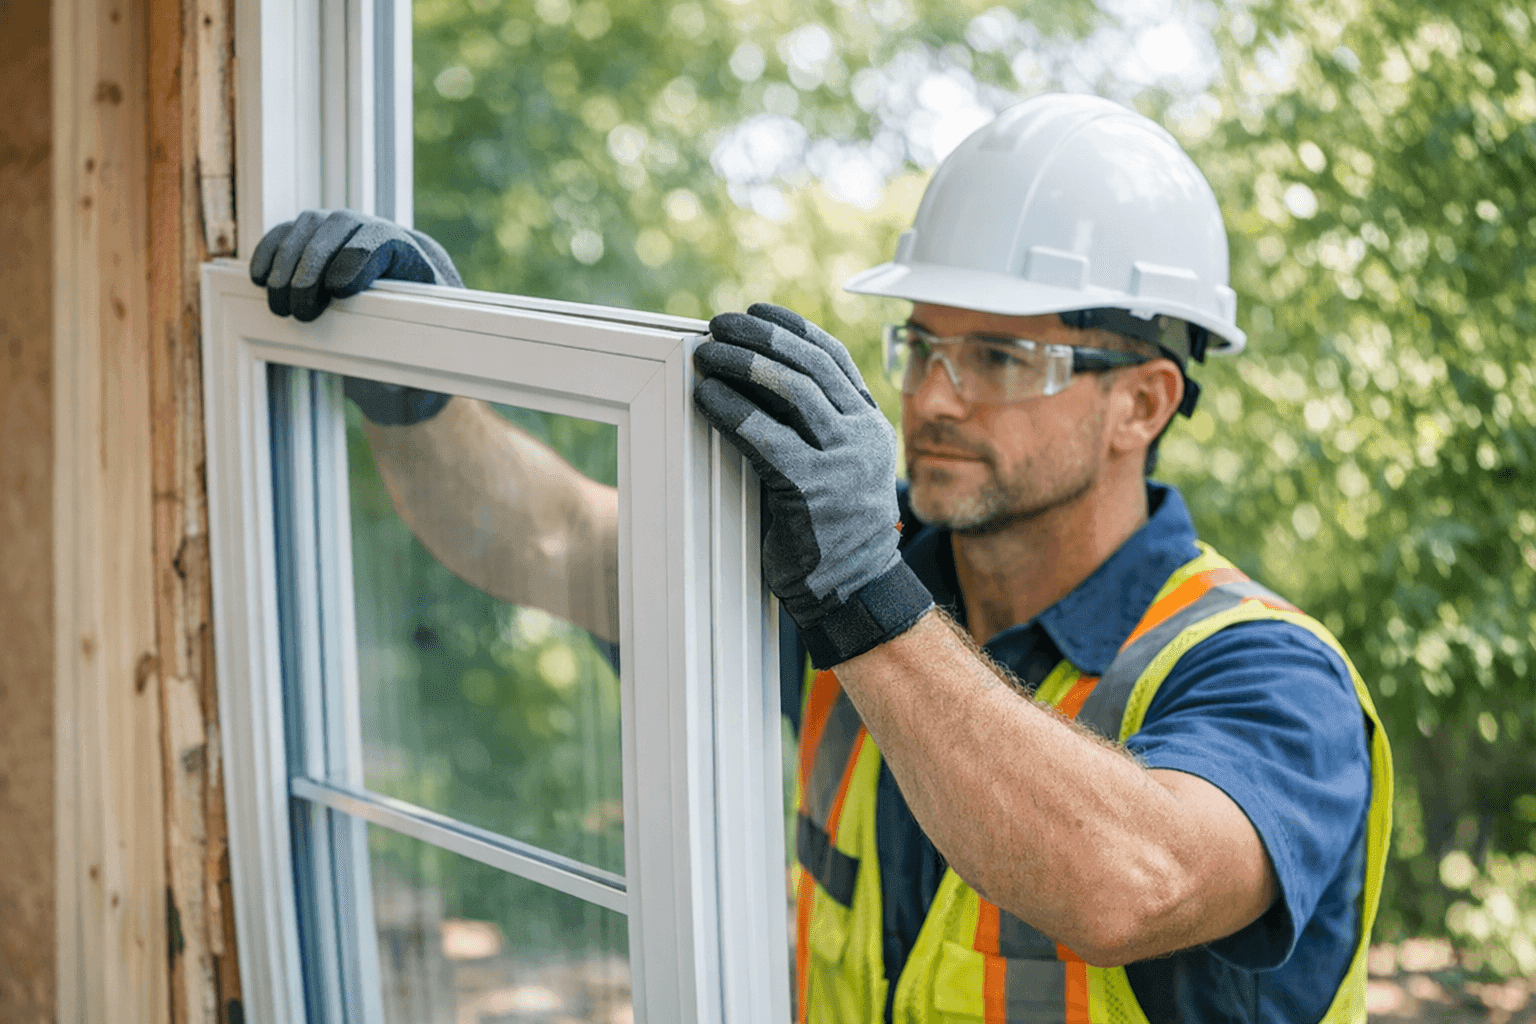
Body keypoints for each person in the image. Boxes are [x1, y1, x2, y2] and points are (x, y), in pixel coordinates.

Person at [251, 93, 1391, 1023]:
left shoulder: (1265, 674)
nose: (932, 396)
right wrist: (412, 385)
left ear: (1142, 402)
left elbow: (1127, 883)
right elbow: (550, 541)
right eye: (924, 344)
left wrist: (861, 594)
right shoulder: (859, 566)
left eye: (997, 356)